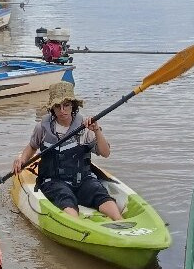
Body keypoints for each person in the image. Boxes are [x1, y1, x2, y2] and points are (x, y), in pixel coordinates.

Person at [12, 81, 123, 220]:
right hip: (53, 181)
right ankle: (76, 224)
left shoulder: (85, 128)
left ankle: (119, 220)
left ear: (73, 106)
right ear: (52, 108)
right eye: (58, 106)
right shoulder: (43, 127)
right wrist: (22, 160)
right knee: (66, 198)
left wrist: (97, 131)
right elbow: (32, 147)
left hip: (83, 179)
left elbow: (105, 153)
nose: (62, 110)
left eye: (66, 105)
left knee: (98, 192)